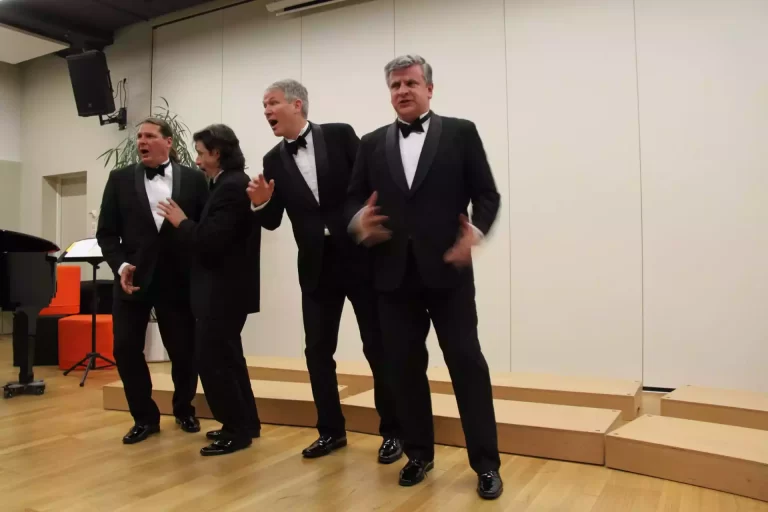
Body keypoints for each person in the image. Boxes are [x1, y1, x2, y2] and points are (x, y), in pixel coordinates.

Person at [345, 55, 504, 499]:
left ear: (429, 89)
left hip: (449, 273)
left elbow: (487, 194)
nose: (403, 91)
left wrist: (475, 233)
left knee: (467, 365)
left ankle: (486, 464)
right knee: (404, 369)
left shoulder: (461, 132)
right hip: (393, 277)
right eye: (395, 85)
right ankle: (418, 454)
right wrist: (359, 222)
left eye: (411, 83)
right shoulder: (371, 143)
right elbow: (352, 199)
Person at [247, 79, 402, 463]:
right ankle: (331, 431)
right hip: (316, 267)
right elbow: (272, 220)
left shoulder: (339, 135)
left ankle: (394, 431)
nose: (266, 111)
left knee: (377, 346)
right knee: (317, 352)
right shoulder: (272, 159)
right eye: (263, 106)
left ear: (297, 104)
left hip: (359, 257)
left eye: (272, 103)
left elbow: (369, 183)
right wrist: (261, 204)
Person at [96, 117, 208, 444]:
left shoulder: (194, 179)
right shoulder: (119, 179)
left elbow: (203, 229)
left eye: (149, 136)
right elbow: (106, 234)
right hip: (133, 280)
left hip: (178, 280)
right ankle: (144, 417)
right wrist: (120, 265)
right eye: (139, 137)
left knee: (184, 351)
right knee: (125, 348)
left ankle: (184, 409)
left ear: (168, 142)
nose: (141, 141)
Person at [157, 123, 262, 456]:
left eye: (202, 153)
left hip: (222, 291)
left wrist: (181, 221)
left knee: (213, 360)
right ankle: (246, 423)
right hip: (226, 290)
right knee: (229, 358)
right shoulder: (227, 183)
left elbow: (211, 240)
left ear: (217, 153)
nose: (197, 160)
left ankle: (235, 430)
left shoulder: (231, 186)